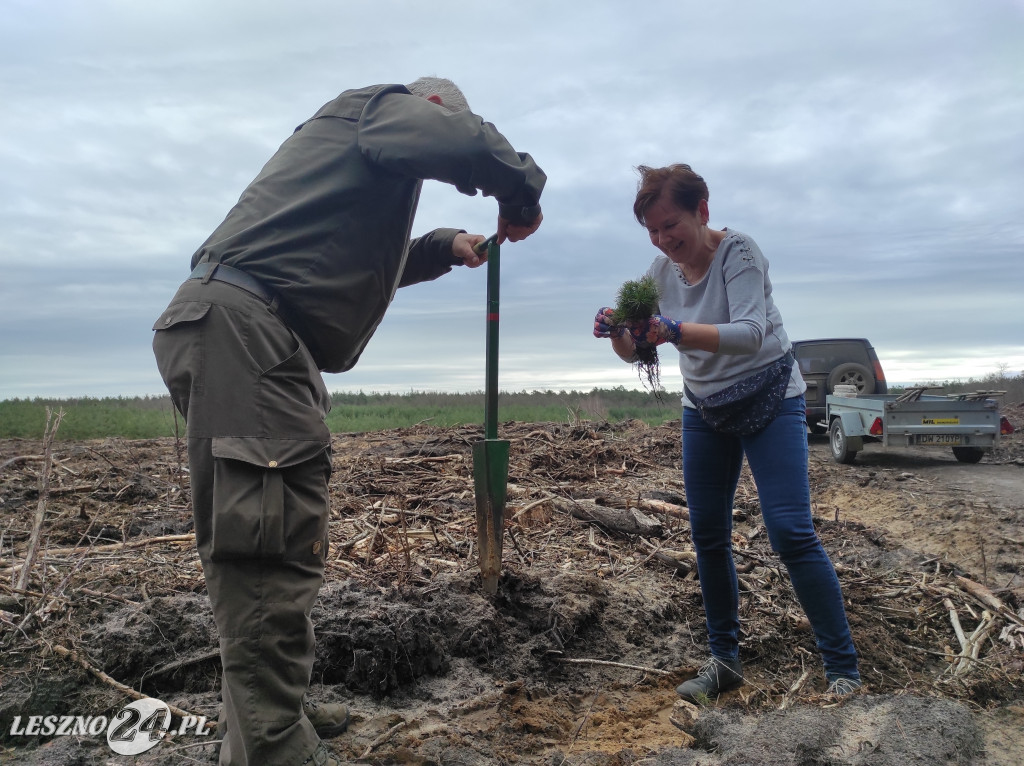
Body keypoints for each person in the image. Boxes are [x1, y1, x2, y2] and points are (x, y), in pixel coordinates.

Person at [152, 77, 545, 766]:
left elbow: (349, 268)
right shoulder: (381, 110)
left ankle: (278, 721)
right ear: (429, 110)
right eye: (443, 121)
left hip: (249, 332)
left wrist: (444, 245)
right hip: (249, 336)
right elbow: (460, 142)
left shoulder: (353, 174)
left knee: (273, 542)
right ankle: (274, 749)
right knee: (265, 560)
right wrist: (521, 192)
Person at [593, 163, 860, 703]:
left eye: (672, 225)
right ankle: (725, 661)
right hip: (705, 409)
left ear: (702, 211)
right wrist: (620, 332)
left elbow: (750, 333)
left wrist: (673, 330)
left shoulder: (739, 253)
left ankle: (843, 670)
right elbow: (637, 352)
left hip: (770, 398)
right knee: (708, 536)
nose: (665, 240)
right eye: (653, 231)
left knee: (790, 531)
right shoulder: (658, 275)